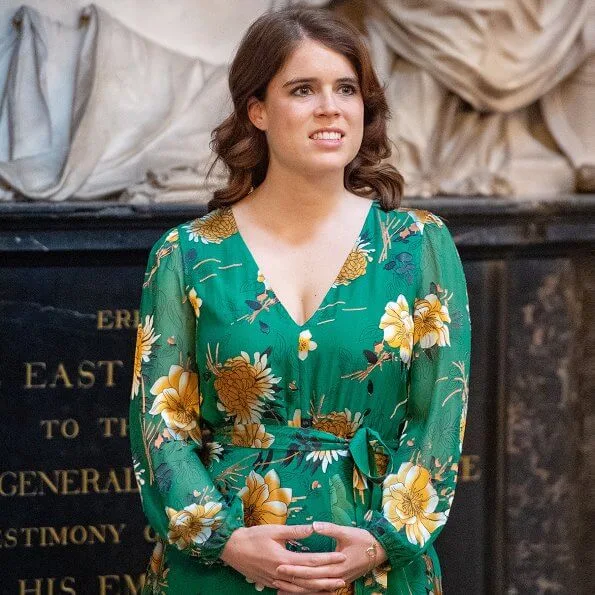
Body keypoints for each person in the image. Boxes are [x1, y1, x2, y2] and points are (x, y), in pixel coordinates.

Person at [128, 6, 471, 594]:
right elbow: (160, 425)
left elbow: (438, 415)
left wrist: (384, 539)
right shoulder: (185, 255)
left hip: (374, 566)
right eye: (302, 90)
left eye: (346, 89)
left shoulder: (418, 247)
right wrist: (225, 540)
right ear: (257, 110)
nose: (330, 107)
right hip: (225, 570)